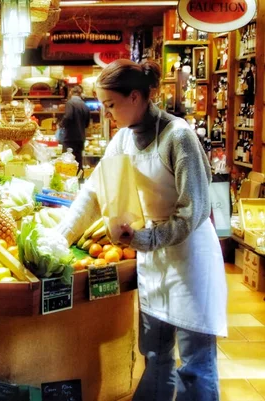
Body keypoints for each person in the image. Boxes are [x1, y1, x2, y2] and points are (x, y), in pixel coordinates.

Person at [61, 59, 227, 401]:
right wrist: (61, 237)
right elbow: (93, 192)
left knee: (195, 365)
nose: (106, 114)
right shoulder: (122, 140)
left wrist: (148, 239)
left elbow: (193, 211)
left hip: (189, 259)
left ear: (135, 97)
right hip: (154, 259)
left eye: (110, 105)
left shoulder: (178, 137)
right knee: (154, 356)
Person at [56, 84, 90, 171]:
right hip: (80, 138)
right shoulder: (84, 105)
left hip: (70, 138)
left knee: (67, 163)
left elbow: (68, 116)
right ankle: (79, 181)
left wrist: (61, 124)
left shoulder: (70, 103)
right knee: (78, 162)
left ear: (71, 92)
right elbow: (87, 124)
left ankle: (69, 181)